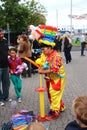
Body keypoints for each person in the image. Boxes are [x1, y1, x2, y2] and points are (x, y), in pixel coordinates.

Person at [33, 25, 66, 121]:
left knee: (54, 93)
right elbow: (42, 61)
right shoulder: (45, 54)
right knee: (51, 94)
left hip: (58, 78)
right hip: (50, 78)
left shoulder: (56, 56)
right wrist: (40, 64)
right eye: (42, 49)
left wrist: (42, 71)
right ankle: (61, 106)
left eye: (44, 49)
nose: (42, 51)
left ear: (50, 47)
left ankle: (55, 112)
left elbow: (54, 69)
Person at [0, 28, 10, 106]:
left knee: (6, 83)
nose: (1, 35)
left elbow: (7, 52)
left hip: (6, 66)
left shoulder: (5, 41)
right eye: (0, 34)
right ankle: (0, 99)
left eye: (2, 34)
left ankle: (5, 97)